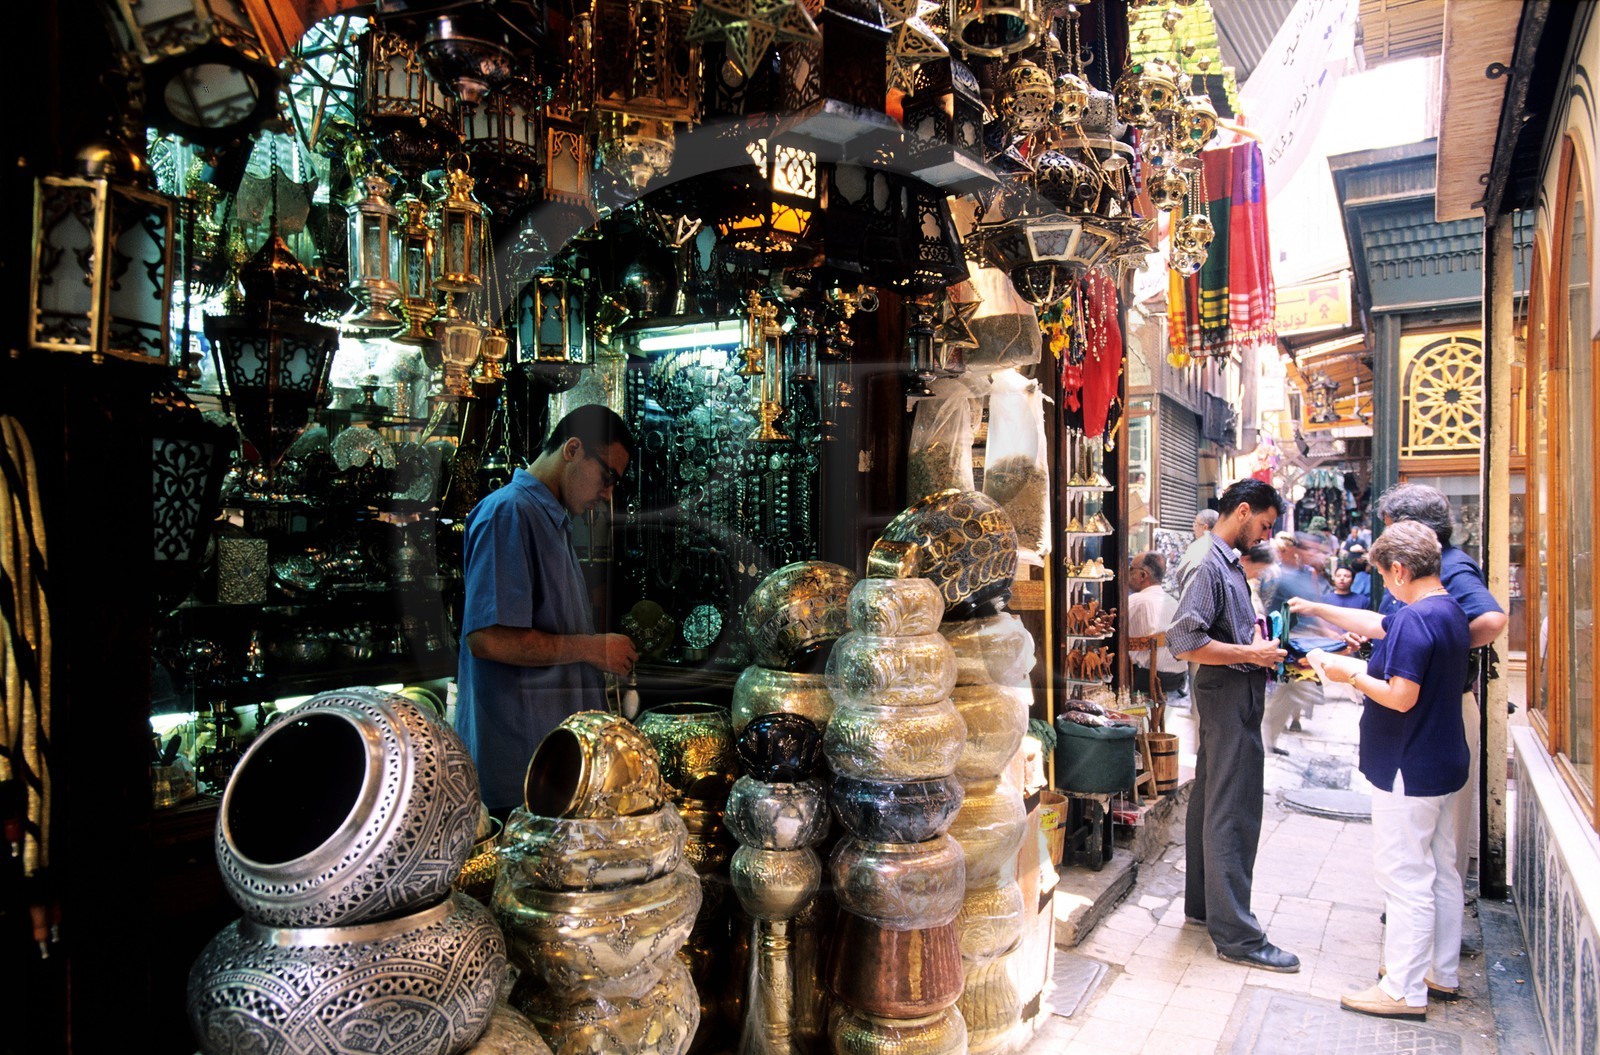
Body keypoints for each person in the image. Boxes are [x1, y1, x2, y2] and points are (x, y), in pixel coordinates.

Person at [1295, 521, 1470, 1020]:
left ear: (1398, 570)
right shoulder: (1449, 610)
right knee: (1440, 869)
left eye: (1384, 576)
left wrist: (1350, 674)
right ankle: (1439, 971)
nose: (1387, 586)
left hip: (1407, 763)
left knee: (1404, 875)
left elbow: (1400, 695)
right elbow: (1379, 624)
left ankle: (1403, 990)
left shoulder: (1416, 619)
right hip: (1443, 758)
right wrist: (1319, 609)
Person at [455, 405, 641, 817]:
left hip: (553, 770)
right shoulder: (508, 513)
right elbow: (488, 640)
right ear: (573, 449)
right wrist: (592, 649)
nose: (608, 494)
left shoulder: (551, 521)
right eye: (607, 477)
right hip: (521, 776)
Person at [1168, 479, 1296, 972]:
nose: (1265, 535)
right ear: (1242, 511)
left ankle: (1206, 908)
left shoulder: (1221, 558)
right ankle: (1238, 936)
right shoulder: (1209, 561)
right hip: (1227, 690)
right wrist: (1251, 653)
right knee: (1233, 808)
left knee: (1213, 800)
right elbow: (1184, 640)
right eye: (1264, 524)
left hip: (1229, 689)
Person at [1375, 484, 1506, 887]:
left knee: (1432, 847)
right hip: (1416, 708)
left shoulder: (1451, 566)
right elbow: (1392, 627)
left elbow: (1492, 620)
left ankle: (1423, 910)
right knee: (1422, 844)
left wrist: (1437, 650)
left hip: (1438, 706)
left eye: (1391, 527)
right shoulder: (1415, 574)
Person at [1127, 551, 1188, 699]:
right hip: (1177, 677)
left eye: (1131, 569)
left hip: (1145, 678)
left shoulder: (1135, 601)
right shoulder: (1173, 602)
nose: (1128, 573)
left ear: (1143, 575)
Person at [1175, 508, 1222, 592]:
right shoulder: (1223, 545)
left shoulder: (1198, 546)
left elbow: (1180, 575)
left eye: (1195, 524)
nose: (1193, 528)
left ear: (1205, 527)